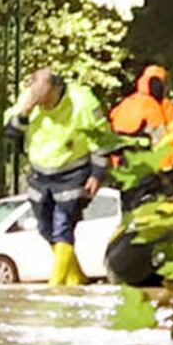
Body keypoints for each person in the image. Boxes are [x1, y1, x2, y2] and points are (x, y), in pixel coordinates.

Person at [11, 66, 113, 286]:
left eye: (45, 99)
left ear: (56, 90)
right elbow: (11, 132)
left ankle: (55, 285)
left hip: (74, 172)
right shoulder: (29, 100)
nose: (43, 104)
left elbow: (102, 138)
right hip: (40, 173)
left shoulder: (83, 102)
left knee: (63, 225)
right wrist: (26, 110)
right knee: (45, 228)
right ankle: (76, 277)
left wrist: (97, 173)